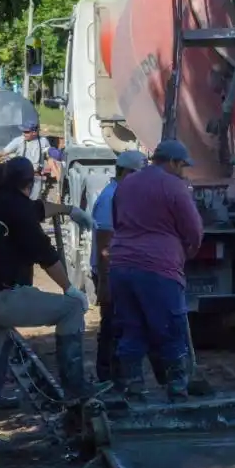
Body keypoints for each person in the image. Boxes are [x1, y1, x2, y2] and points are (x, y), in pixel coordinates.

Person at [0, 158, 96, 461]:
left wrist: (70, 210)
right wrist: (70, 289)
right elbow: (44, 253)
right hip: (3, 299)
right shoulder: (16, 208)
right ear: (28, 183)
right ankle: (75, 392)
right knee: (70, 309)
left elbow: (38, 209)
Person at [108, 140, 204, 402]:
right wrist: (188, 252)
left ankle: (133, 387)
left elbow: (117, 221)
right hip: (158, 269)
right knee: (171, 330)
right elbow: (193, 229)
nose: (184, 171)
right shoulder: (174, 185)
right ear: (172, 162)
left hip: (121, 266)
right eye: (183, 165)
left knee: (132, 328)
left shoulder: (127, 183)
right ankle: (177, 389)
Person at [90, 149, 148, 386]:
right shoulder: (110, 198)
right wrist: (105, 284)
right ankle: (109, 378)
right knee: (112, 325)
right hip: (110, 272)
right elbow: (105, 243)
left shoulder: (123, 194)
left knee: (121, 325)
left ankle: (118, 377)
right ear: (125, 172)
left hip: (120, 271)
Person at [0, 122, 57, 199]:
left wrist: (56, 172)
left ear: (34, 132)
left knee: (34, 202)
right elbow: (3, 152)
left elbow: (49, 158)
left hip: (36, 177)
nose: (24, 134)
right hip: (20, 178)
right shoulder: (18, 141)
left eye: (26, 132)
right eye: (23, 131)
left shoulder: (43, 141)